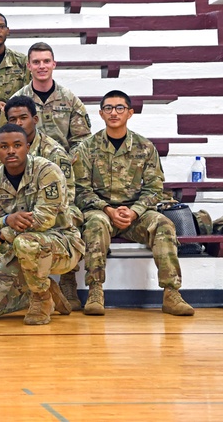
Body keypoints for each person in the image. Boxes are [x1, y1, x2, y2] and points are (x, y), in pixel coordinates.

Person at [74, 90, 194, 317]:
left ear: (130, 112)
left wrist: (134, 211)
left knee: (163, 224)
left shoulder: (145, 147)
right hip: (101, 211)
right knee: (95, 224)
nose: (114, 112)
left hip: (136, 214)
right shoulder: (86, 148)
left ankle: (171, 293)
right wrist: (107, 209)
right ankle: (95, 291)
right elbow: (81, 190)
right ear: (101, 113)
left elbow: (154, 189)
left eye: (120, 107)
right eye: (108, 108)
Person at [0, 124, 82, 325]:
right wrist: (8, 219)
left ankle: (41, 300)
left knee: (26, 242)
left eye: (17, 145)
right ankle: (45, 289)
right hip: (19, 251)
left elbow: (43, 220)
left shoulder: (47, 171)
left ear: (28, 147)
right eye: (4, 146)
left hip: (62, 245)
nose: (11, 151)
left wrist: (2, 234)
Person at [9, 42, 91, 154]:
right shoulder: (16, 102)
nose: (42, 66)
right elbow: (7, 137)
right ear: (29, 66)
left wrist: (68, 162)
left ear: (54, 64)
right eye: (36, 62)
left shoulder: (70, 100)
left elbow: (81, 140)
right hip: (27, 163)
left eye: (46, 61)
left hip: (62, 163)